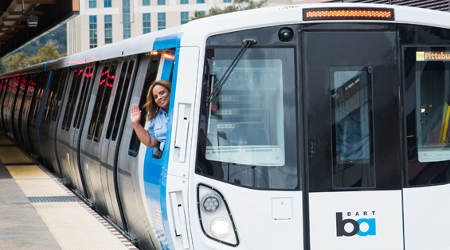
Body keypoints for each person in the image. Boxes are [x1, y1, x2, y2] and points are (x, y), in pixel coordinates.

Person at [130, 80, 171, 152]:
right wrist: (136, 124)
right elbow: (150, 142)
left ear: (170, 91)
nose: (159, 97)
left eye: (162, 93)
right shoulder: (156, 118)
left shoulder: (181, 110)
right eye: (155, 97)